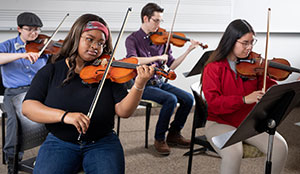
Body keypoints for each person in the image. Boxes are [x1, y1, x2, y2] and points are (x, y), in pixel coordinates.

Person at [22, 13, 154, 174]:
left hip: (102, 141)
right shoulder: (51, 71)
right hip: (60, 141)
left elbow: (123, 112)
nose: (95, 46)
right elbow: (28, 107)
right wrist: (66, 116)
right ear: (76, 37)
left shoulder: (108, 73)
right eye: (89, 39)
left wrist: (139, 85)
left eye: (100, 43)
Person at [201, 19, 288, 174]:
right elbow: (214, 103)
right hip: (219, 122)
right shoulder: (213, 68)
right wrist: (244, 99)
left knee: (280, 148)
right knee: (233, 153)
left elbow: (270, 86)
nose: (249, 48)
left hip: (248, 121)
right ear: (231, 41)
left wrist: (284, 87)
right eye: (245, 43)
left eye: (252, 42)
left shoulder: (254, 66)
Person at [125, 2, 201, 155]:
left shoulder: (163, 39)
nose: (159, 24)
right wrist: (158, 57)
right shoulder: (132, 39)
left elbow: (171, 66)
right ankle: (160, 138)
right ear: (146, 18)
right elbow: (133, 61)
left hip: (159, 82)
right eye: (156, 20)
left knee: (188, 99)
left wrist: (188, 51)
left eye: (160, 21)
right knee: (171, 99)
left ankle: (174, 134)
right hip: (142, 85)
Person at [0, 12, 49, 173]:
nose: (34, 33)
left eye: (37, 29)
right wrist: (22, 54)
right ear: (19, 29)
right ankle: (12, 158)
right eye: (30, 30)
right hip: (14, 93)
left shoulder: (43, 47)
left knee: (58, 111)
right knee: (15, 120)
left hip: (38, 91)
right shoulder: (7, 45)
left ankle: (53, 153)